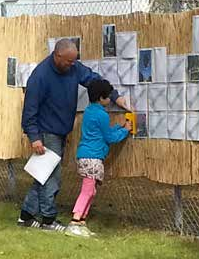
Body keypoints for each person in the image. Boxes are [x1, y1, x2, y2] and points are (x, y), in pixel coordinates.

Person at [18, 38, 130, 232]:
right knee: (53, 177)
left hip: (61, 131)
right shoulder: (40, 77)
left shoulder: (73, 68)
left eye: (74, 61)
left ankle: (26, 216)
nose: (72, 65)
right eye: (69, 61)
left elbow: (95, 81)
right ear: (57, 55)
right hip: (46, 131)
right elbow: (29, 110)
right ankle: (48, 220)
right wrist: (34, 137)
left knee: (43, 175)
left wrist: (115, 96)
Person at [65, 79, 131, 237]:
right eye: (108, 97)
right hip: (93, 157)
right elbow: (109, 138)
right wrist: (125, 130)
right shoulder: (102, 115)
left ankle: (81, 221)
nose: (110, 100)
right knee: (87, 191)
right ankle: (74, 222)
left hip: (85, 155)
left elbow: (102, 132)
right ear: (102, 98)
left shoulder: (89, 111)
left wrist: (118, 127)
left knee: (91, 191)